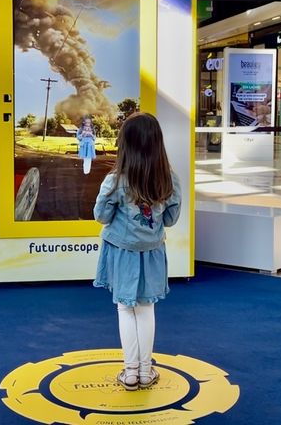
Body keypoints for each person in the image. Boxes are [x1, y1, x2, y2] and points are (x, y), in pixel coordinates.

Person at [93, 113, 181, 391]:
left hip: (121, 253)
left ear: (125, 145)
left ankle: (130, 372)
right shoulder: (170, 179)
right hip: (152, 254)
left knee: (125, 309)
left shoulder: (115, 180)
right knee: (146, 310)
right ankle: (146, 370)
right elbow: (170, 220)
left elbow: (101, 216)